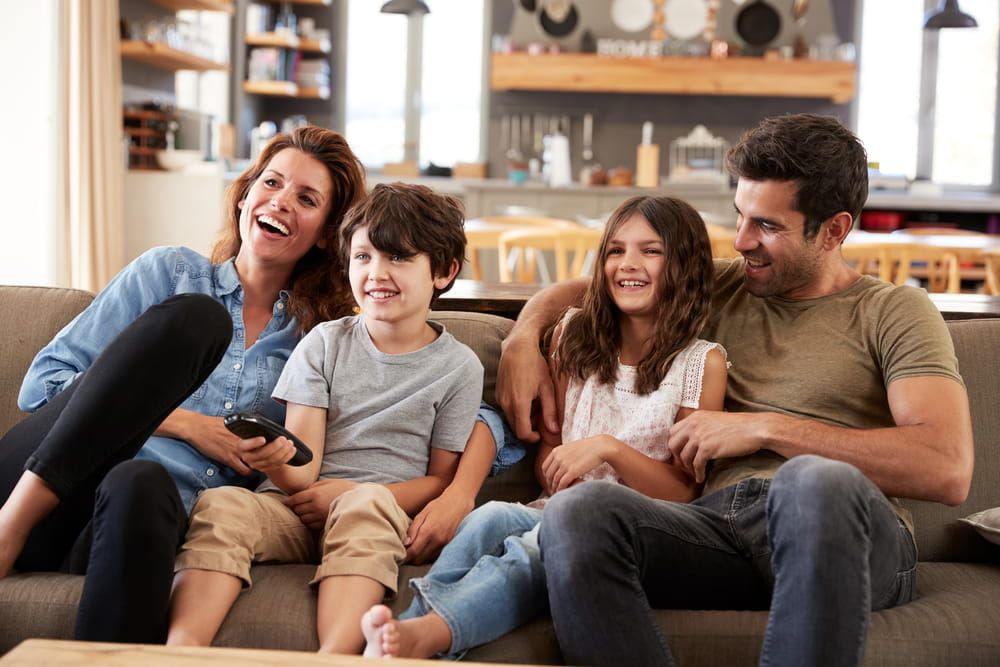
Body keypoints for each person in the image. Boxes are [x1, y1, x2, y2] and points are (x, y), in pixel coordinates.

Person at [497, 114, 974, 666]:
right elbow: (593, 288)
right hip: (719, 526)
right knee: (580, 511)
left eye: (766, 225)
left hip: (847, 532)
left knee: (811, 480)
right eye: (740, 216)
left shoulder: (894, 311)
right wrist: (523, 340)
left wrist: (764, 428)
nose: (743, 240)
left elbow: (946, 467)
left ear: (833, 230)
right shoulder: (725, 284)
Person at [0, 126, 367, 643]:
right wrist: (189, 426)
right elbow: (42, 384)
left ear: (326, 233)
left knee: (142, 482)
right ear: (244, 195)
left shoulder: (318, 340)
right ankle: (10, 527)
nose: (281, 201)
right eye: (271, 182)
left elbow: (404, 391)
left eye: (306, 199)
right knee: (199, 319)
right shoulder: (169, 274)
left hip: (127, 524)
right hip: (44, 478)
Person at [360, 195, 728, 660]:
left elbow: (684, 494)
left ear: (685, 266)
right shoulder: (574, 338)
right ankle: (410, 627)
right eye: (616, 250)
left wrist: (608, 449)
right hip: (552, 509)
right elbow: (549, 459)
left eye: (650, 251)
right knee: (489, 517)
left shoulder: (702, 364)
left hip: (633, 532)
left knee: (534, 550)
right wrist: (559, 467)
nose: (628, 264)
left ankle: (428, 634)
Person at [166, 182, 485, 655]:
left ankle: (334, 658)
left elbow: (441, 480)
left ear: (444, 271)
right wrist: (274, 461)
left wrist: (350, 492)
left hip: (376, 511)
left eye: (399, 258)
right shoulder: (324, 343)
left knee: (365, 505)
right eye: (363, 257)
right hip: (295, 510)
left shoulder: (460, 367)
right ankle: (181, 650)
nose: (376, 273)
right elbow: (302, 470)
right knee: (225, 505)